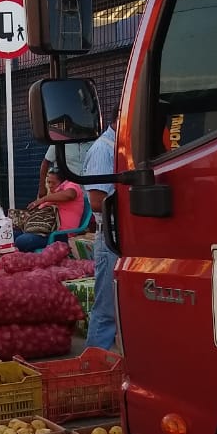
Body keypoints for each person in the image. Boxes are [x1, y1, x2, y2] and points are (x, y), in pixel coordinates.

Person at [83, 108, 120, 350]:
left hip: (123, 234)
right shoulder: (103, 150)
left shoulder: (120, 148)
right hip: (111, 235)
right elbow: (97, 201)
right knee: (107, 309)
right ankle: (93, 368)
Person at [12, 167, 84, 252]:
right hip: (42, 230)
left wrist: (43, 199)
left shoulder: (71, 185)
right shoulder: (53, 194)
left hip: (59, 234)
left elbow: (70, 195)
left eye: (53, 183)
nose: (50, 186)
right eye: (48, 182)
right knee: (10, 235)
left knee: (21, 241)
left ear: (62, 182)